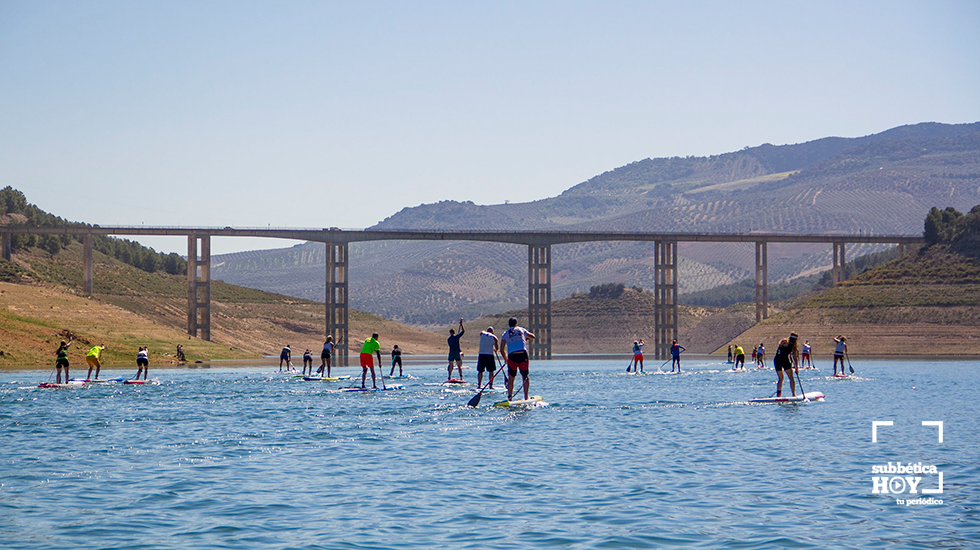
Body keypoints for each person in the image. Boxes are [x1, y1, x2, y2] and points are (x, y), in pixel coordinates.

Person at [498, 317, 535, 401]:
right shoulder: (521, 330)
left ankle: (510, 398)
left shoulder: (505, 333)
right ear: (516, 324)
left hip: (512, 356)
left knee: (511, 377)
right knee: (525, 376)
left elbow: (501, 349)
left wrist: (506, 359)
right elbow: (533, 336)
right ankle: (526, 397)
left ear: (509, 324)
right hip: (522, 354)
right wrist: (527, 338)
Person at [773, 332, 801, 398]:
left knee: (781, 378)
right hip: (784, 360)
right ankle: (793, 394)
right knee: (791, 378)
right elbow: (795, 357)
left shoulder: (783, 341)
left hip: (776, 359)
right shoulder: (793, 346)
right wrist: (796, 368)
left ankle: (779, 395)